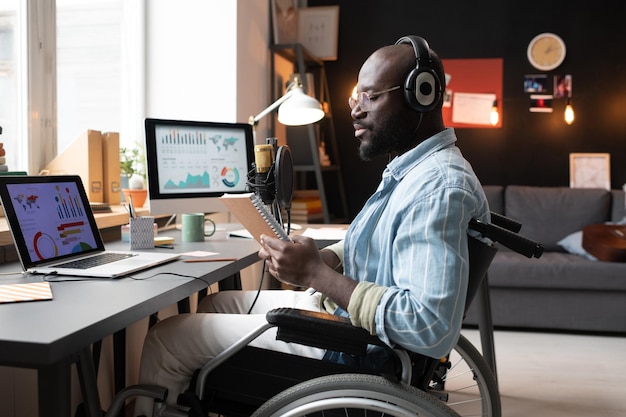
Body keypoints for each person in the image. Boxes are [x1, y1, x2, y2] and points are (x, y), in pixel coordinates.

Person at [134, 35, 490, 415]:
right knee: (217, 303)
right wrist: (325, 260)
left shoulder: (437, 187)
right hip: (353, 326)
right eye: (357, 98)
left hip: (357, 350)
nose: (355, 110)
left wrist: (317, 275)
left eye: (370, 96)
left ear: (421, 94)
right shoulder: (416, 172)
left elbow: (429, 326)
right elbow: (382, 246)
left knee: (167, 338)